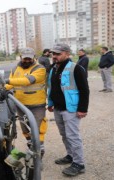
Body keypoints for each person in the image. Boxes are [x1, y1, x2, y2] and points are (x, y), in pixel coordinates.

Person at [47, 43, 89, 177]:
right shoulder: (54, 68)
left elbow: (84, 90)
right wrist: (50, 102)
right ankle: (71, 156)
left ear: (67, 54)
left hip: (70, 109)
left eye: (58, 54)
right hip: (58, 108)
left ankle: (79, 163)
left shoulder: (76, 68)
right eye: (53, 54)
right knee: (64, 135)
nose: (55, 56)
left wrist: (83, 109)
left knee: (72, 136)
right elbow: (52, 87)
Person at [5, 47, 48, 158]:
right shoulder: (15, 69)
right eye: (25, 59)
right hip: (21, 105)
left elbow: (28, 81)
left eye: (29, 58)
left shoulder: (40, 68)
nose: (27, 60)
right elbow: (10, 84)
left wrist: (6, 81)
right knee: (25, 128)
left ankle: (39, 154)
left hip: (37, 105)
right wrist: (1, 87)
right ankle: (30, 148)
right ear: (21, 57)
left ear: (34, 58)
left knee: (38, 129)